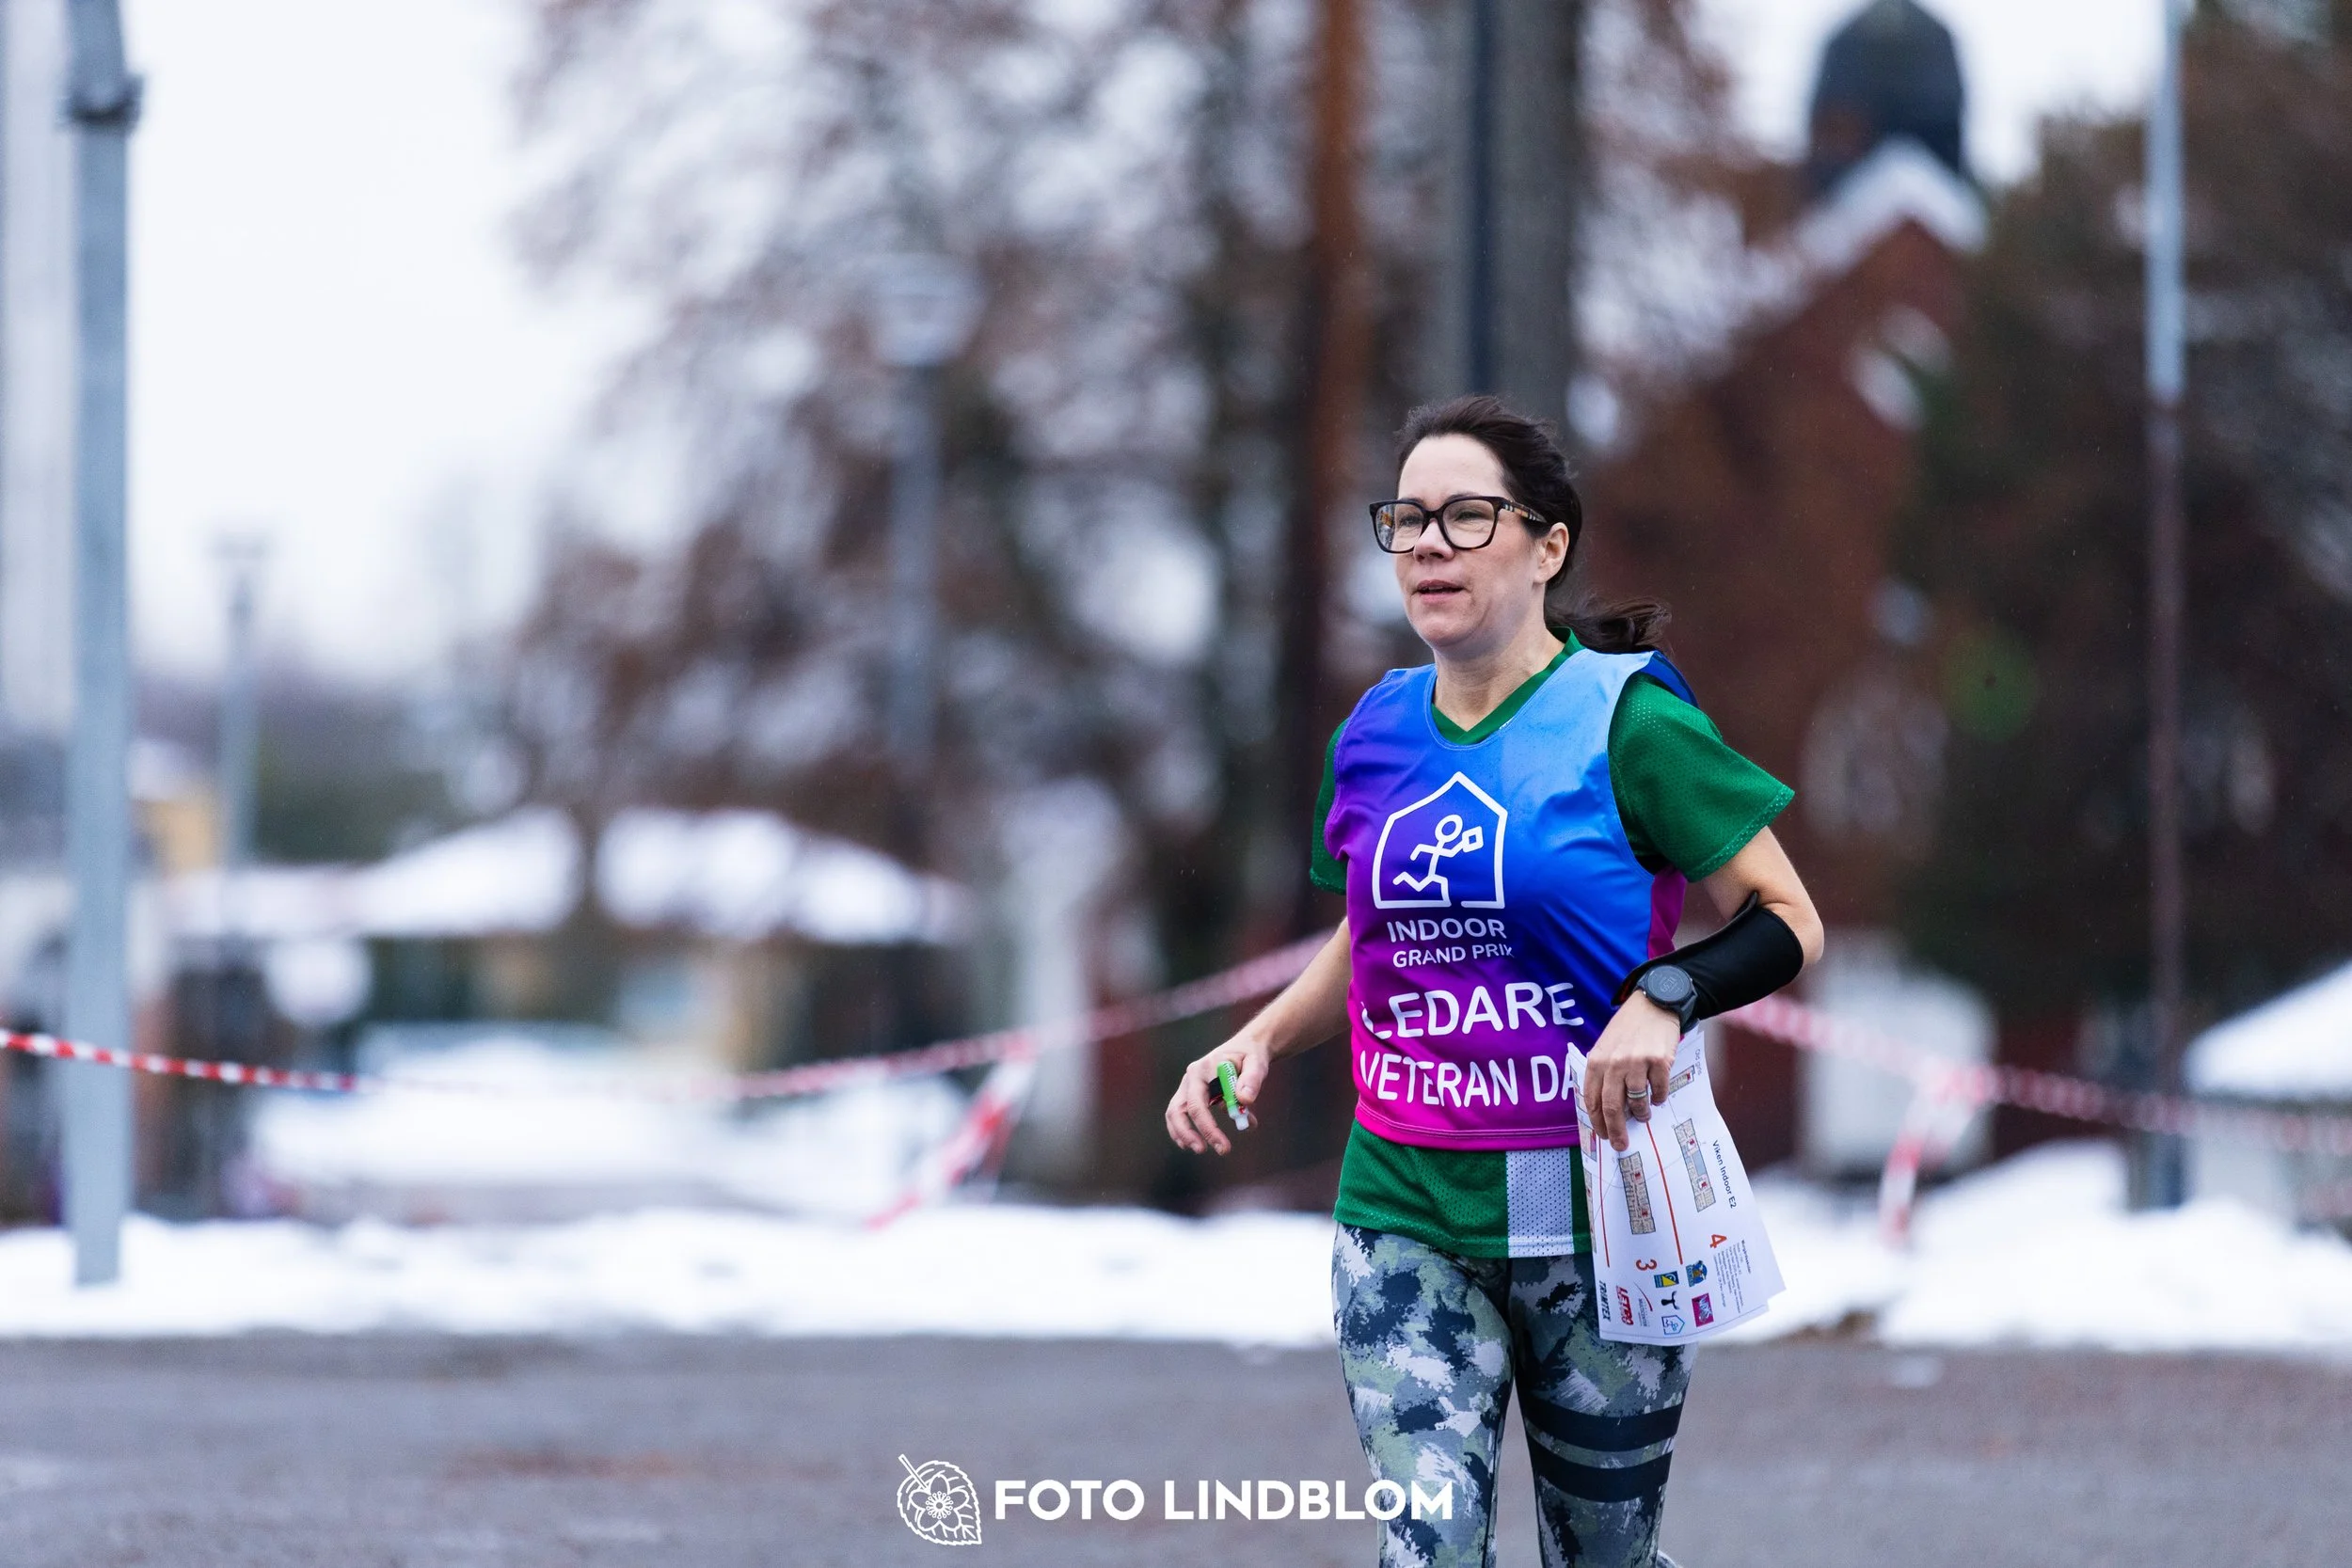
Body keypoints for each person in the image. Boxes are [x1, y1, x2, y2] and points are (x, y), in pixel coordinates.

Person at [1164, 394, 1824, 1568]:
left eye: (1466, 516)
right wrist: (1257, 1038)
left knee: (1604, 1556)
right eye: (1407, 519)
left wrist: (1662, 998)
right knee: (1428, 1547)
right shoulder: (1373, 733)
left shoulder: (1629, 722)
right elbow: (1371, 939)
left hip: (1603, 1219)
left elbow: (1786, 922)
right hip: (1406, 1212)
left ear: (1546, 545)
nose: (1427, 544)